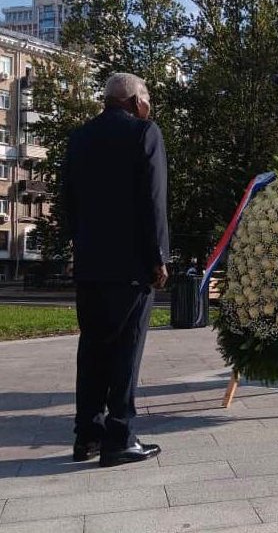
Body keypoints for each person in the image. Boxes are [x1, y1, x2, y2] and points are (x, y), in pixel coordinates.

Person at [64, 72, 170, 467]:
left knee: (91, 350)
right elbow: (153, 200)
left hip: (90, 265)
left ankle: (86, 436)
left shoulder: (79, 138)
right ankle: (120, 437)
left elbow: (69, 203)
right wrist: (158, 256)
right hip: (131, 267)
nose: (149, 103)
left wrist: (81, 247)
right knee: (126, 350)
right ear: (132, 100)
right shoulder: (144, 133)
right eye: (146, 95)